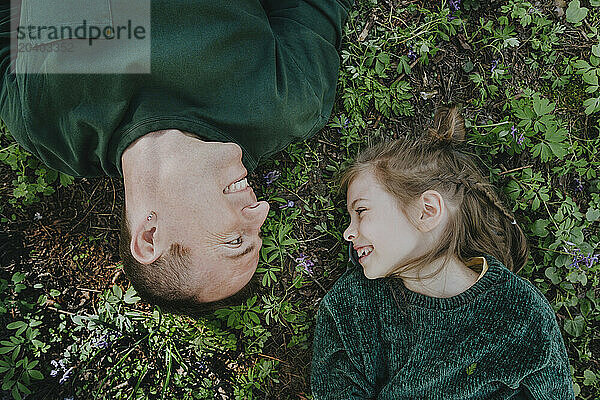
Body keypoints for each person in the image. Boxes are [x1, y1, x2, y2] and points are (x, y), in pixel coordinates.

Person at [0, 0, 353, 312]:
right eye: (259, 233)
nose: (261, 211)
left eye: (235, 241)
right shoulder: (287, 105)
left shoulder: (47, 128)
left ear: (150, 236)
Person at [310, 106, 576, 399]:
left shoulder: (520, 311)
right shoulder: (350, 308)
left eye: (361, 211)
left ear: (427, 211)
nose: (348, 233)